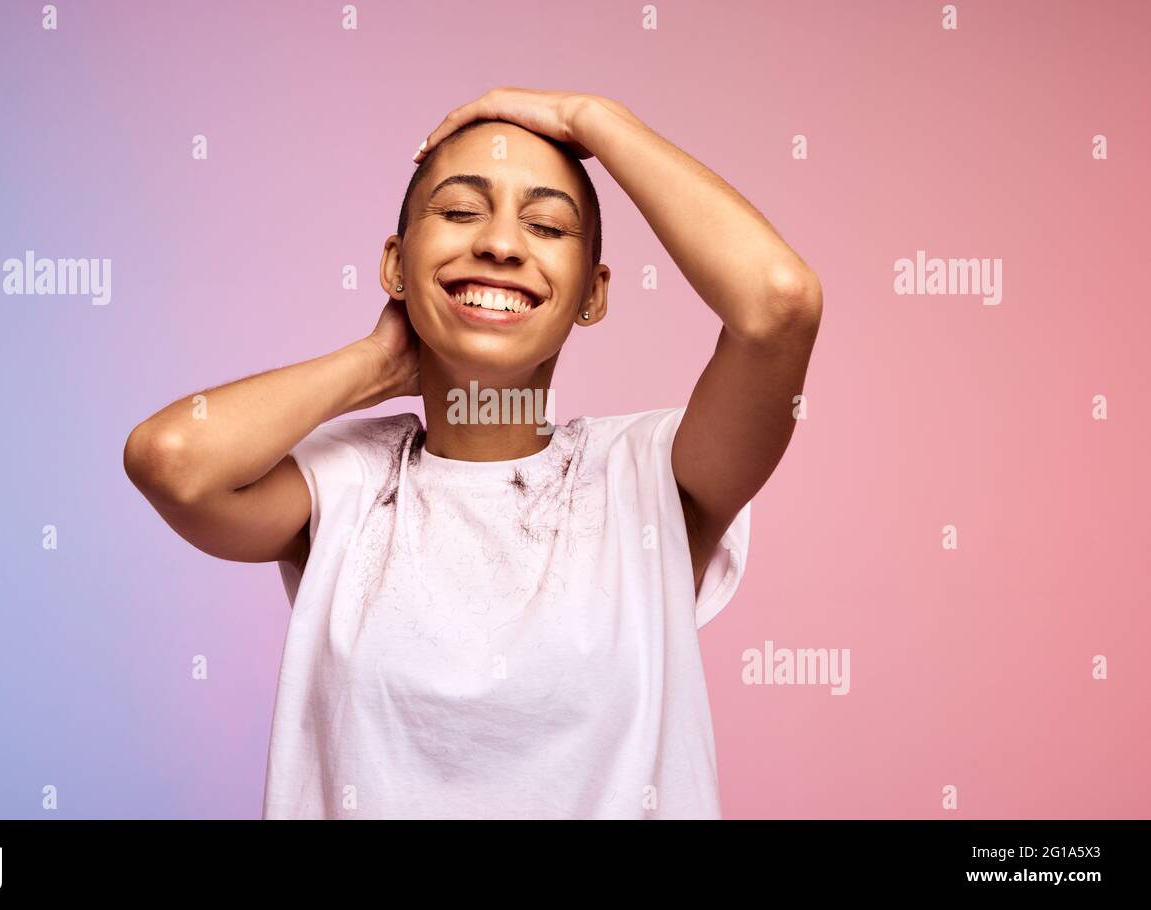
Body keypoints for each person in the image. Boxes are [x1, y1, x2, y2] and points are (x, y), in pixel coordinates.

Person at [123, 88, 823, 819]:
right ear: (396, 265)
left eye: (548, 225)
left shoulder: (651, 476)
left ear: (593, 293)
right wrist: (377, 363)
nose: (499, 243)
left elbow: (780, 303)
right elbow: (171, 458)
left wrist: (592, 119)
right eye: (459, 212)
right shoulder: (349, 482)